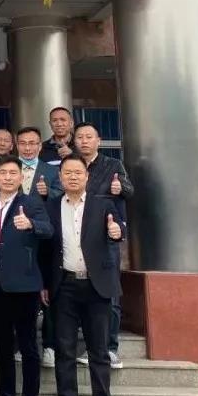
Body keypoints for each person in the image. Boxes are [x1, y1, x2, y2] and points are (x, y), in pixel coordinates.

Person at [42, 155, 126, 396]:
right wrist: (45, 284)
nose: (73, 177)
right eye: (67, 172)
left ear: (87, 176)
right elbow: (46, 249)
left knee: (98, 350)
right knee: (65, 349)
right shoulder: (51, 206)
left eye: (78, 172)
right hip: (64, 285)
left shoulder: (103, 204)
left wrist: (115, 231)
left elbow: (118, 230)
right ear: (60, 177)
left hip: (95, 285)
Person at [0, 157, 53, 396]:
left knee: (28, 346)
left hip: (23, 283)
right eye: (3, 172)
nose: (8, 177)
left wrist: (32, 224)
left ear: (22, 177)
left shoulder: (31, 203)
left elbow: (48, 230)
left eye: (13, 173)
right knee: (2, 345)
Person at [72, 122, 135, 368]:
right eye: (80, 137)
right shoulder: (72, 165)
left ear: (98, 140)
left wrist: (121, 187)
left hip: (105, 236)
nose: (84, 141)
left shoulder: (112, 165)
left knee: (109, 293)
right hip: (76, 236)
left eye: (89, 137)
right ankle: (88, 346)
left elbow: (130, 190)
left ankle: (110, 348)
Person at [13, 126, 63, 366]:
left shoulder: (51, 171)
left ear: (40, 146)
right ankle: (21, 344)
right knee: (20, 296)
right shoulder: (9, 168)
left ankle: (50, 346)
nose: (28, 148)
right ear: (17, 145)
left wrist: (48, 192)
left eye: (32, 143)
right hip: (16, 241)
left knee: (47, 293)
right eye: (23, 143)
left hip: (45, 239)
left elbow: (63, 195)